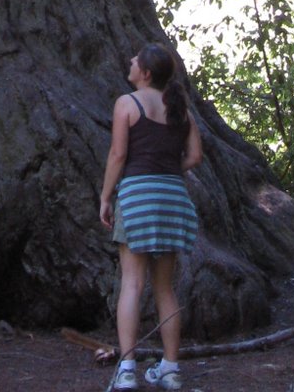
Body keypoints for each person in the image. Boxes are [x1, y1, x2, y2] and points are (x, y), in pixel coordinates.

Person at [100, 43, 203, 391]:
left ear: (144, 73)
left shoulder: (127, 103)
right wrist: (170, 169)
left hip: (137, 195)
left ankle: (127, 369)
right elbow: (195, 156)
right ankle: (171, 369)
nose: (129, 61)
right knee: (164, 287)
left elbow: (118, 154)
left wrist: (105, 197)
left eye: (134, 60)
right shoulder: (179, 108)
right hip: (173, 196)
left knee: (132, 283)